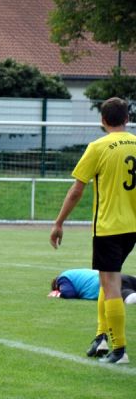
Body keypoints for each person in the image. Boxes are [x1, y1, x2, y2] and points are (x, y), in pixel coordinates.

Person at [50, 97, 135, 364]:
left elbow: (77, 190)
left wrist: (59, 222)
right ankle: (102, 337)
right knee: (105, 281)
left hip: (109, 227)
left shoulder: (98, 147)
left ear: (102, 120)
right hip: (132, 226)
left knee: (110, 284)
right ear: (127, 119)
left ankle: (119, 350)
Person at [49, 269, 136, 304]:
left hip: (107, 285)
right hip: (118, 276)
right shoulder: (73, 274)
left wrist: (58, 294)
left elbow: (69, 293)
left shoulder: (62, 278)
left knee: (131, 298)